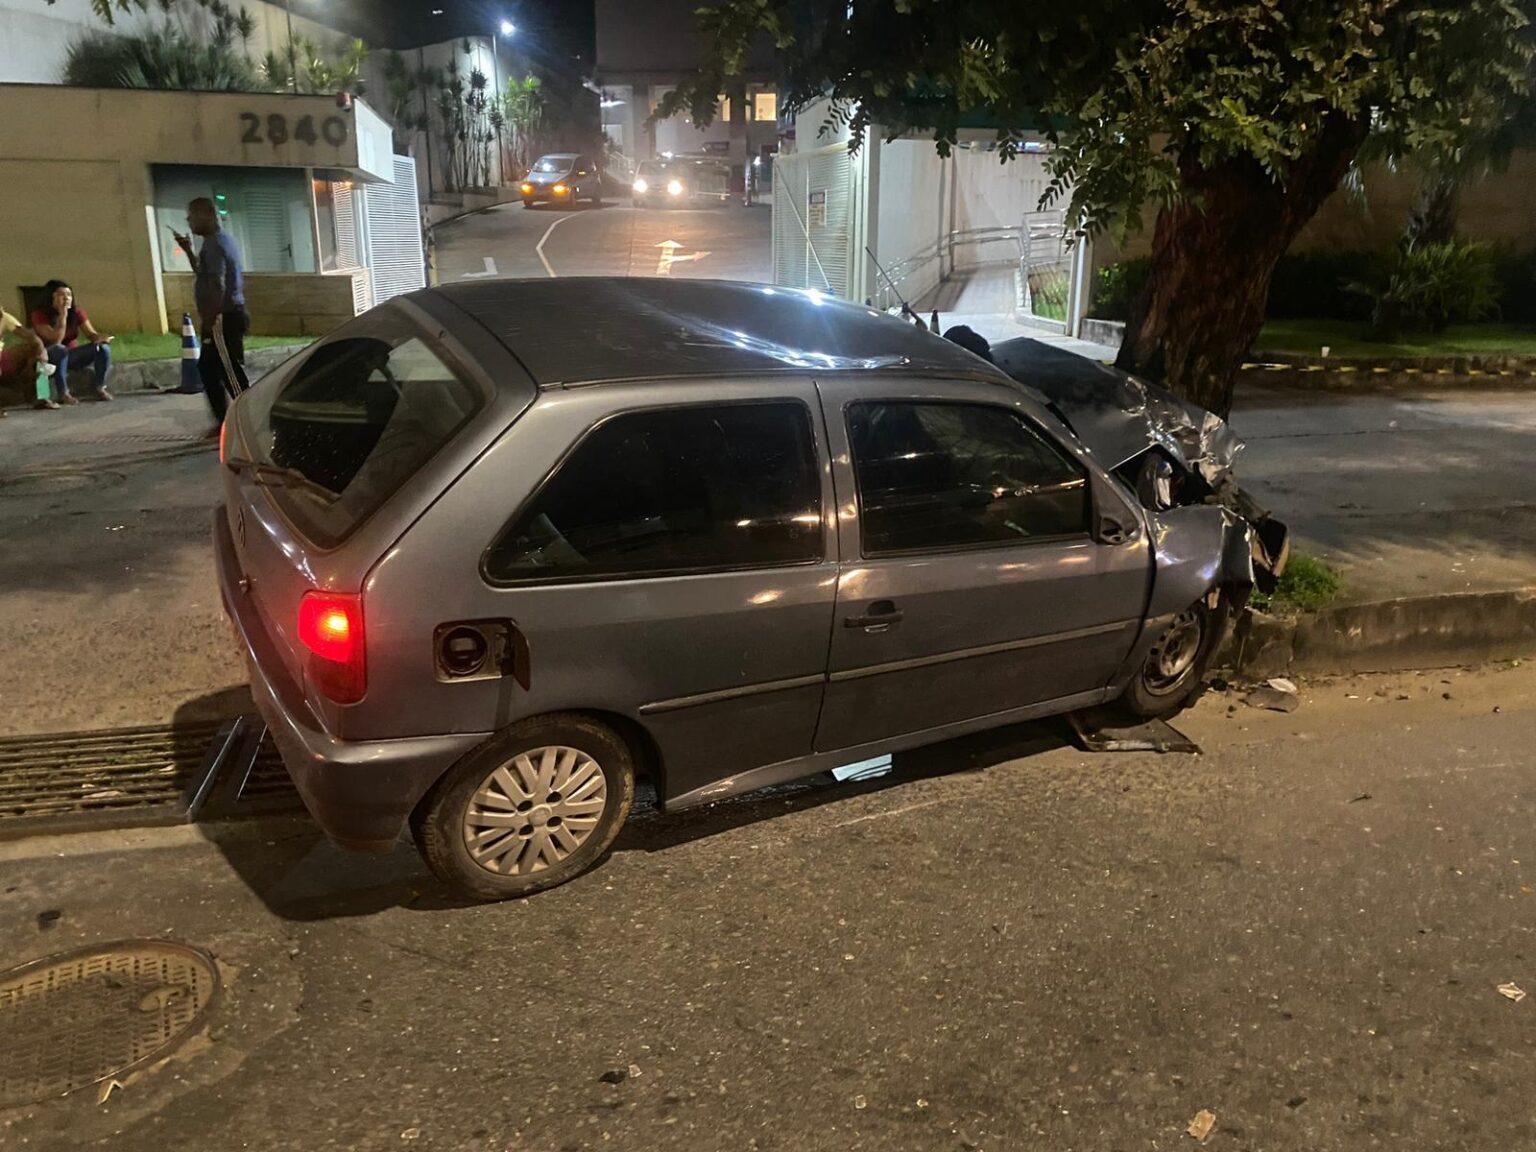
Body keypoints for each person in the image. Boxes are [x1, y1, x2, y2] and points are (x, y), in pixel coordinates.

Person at [173, 198, 249, 429]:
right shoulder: (215, 242)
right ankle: (225, 421)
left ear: (208, 214)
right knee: (209, 367)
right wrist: (188, 251)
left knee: (229, 371)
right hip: (225, 315)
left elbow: (217, 284)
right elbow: (204, 273)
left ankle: (246, 418)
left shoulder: (215, 243)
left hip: (223, 316)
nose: (189, 220)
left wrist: (210, 319)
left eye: (192, 215)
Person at [31, 279, 113, 403]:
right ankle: (62, 393)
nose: (66, 298)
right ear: (51, 297)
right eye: (61, 295)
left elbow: (91, 334)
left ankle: (100, 387)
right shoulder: (39, 314)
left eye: (69, 295)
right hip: (47, 357)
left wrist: (100, 338)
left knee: (103, 348)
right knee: (60, 349)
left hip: (72, 355)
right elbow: (56, 340)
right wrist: (62, 315)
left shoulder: (76, 312)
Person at [0, 307, 58, 413]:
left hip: (3, 357)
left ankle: (42, 397)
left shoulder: (4, 317)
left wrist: (41, 354)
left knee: (36, 349)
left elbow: (33, 339)